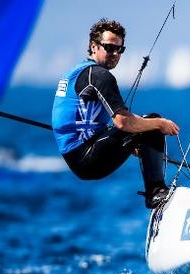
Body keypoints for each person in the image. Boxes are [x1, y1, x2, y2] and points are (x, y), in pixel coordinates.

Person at [52, 18, 179, 209]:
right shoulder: (99, 75)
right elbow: (122, 122)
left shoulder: (78, 71)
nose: (115, 54)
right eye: (109, 47)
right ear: (93, 46)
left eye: (120, 49)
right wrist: (160, 124)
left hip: (77, 155)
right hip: (85, 157)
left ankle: (156, 189)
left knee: (143, 128)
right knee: (151, 121)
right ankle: (156, 193)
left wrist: (132, 145)